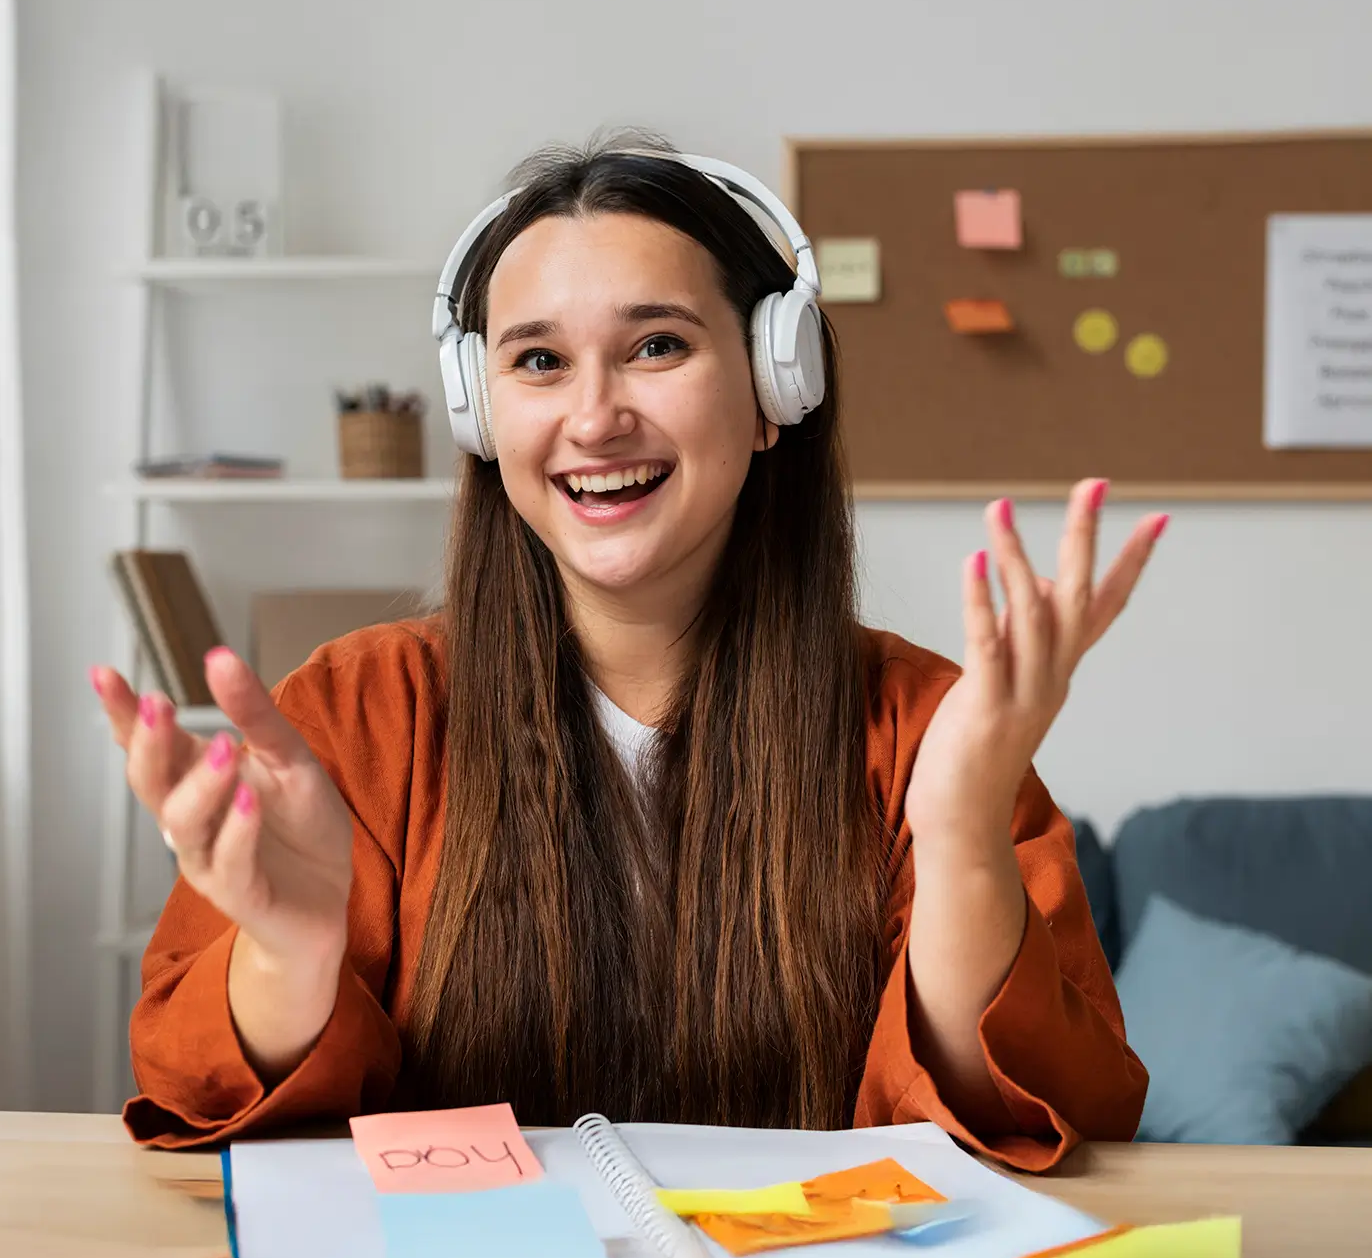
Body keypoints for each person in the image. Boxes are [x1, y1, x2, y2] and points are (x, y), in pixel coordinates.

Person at [97, 135, 1162, 1171]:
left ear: (771, 390)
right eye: (540, 361)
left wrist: (963, 839)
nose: (596, 417)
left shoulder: (930, 733)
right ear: (479, 411)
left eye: (658, 346)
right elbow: (208, 1107)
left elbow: (1038, 1117)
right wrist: (290, 955)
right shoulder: (359, 712)